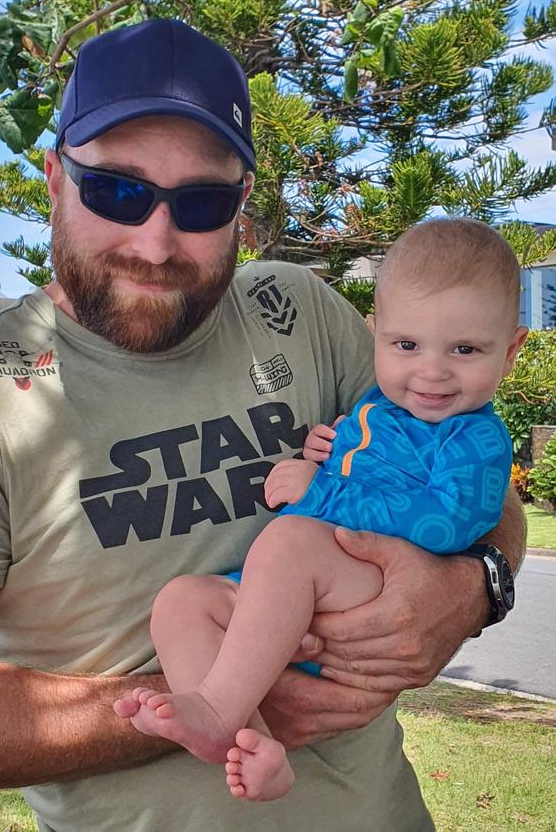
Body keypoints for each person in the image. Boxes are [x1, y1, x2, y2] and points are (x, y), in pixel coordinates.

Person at [0, 19, 525, 832]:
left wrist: (474, 587)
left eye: (199, 202)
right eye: (116, 191)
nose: (156, 242)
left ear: (241, 205)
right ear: (55, 177)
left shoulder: (301, 311)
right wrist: (213, 693)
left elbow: (487, 497)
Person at [119, 217, 527, 801]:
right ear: (375, 334)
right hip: (301, 592)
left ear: (510, 351)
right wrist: (331, 452)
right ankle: (248, 742)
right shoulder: (379, 406)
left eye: (464, 349)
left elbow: (448, 523)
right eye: (406, 345)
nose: (432, 370)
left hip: (371, 584)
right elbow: (367, 462)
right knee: (184, 601)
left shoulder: (475, 440)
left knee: (290, 541)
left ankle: (214, 706)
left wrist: (324, 491)